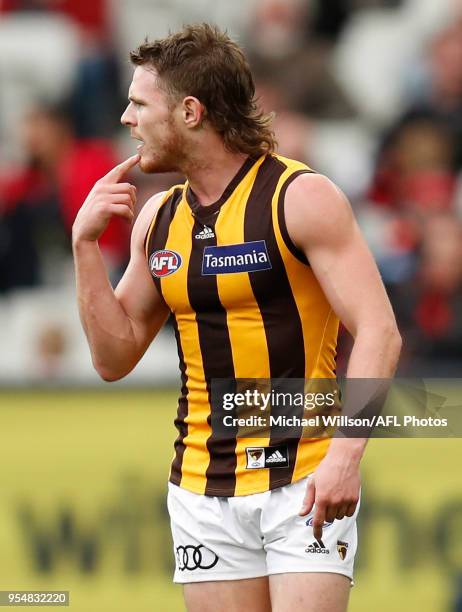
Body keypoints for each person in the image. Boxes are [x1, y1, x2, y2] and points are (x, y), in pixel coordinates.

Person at [72, 24, 401, 612]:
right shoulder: (158, 220)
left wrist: (346, 458)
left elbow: (380, 331)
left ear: (191, 112)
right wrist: (84, 248)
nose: (125, 118)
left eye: (139, 103)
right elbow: (113, 357)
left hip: (304, 476)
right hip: (201, 485)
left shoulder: (300, 197)